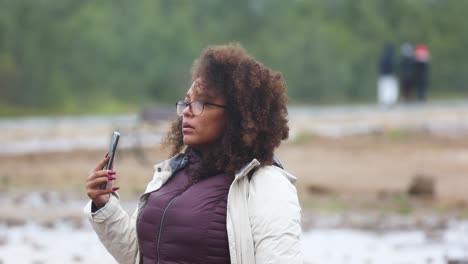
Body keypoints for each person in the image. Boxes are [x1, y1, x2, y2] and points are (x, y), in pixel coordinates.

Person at [84, 44, 303, 263]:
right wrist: (105, 206)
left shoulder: (267, 185)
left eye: (201, 104)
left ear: (237, 114)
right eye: (186, 102)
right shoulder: (170, 173)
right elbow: (138, 255)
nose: (187, 111)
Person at [377, 43, 399, 107]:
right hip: (390, 76)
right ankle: (390, 102)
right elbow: (394, 67)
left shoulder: (382, 57)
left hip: (383, 75)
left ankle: (385, 102)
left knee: (384, 90)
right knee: (390, 89)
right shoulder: (392, 57)